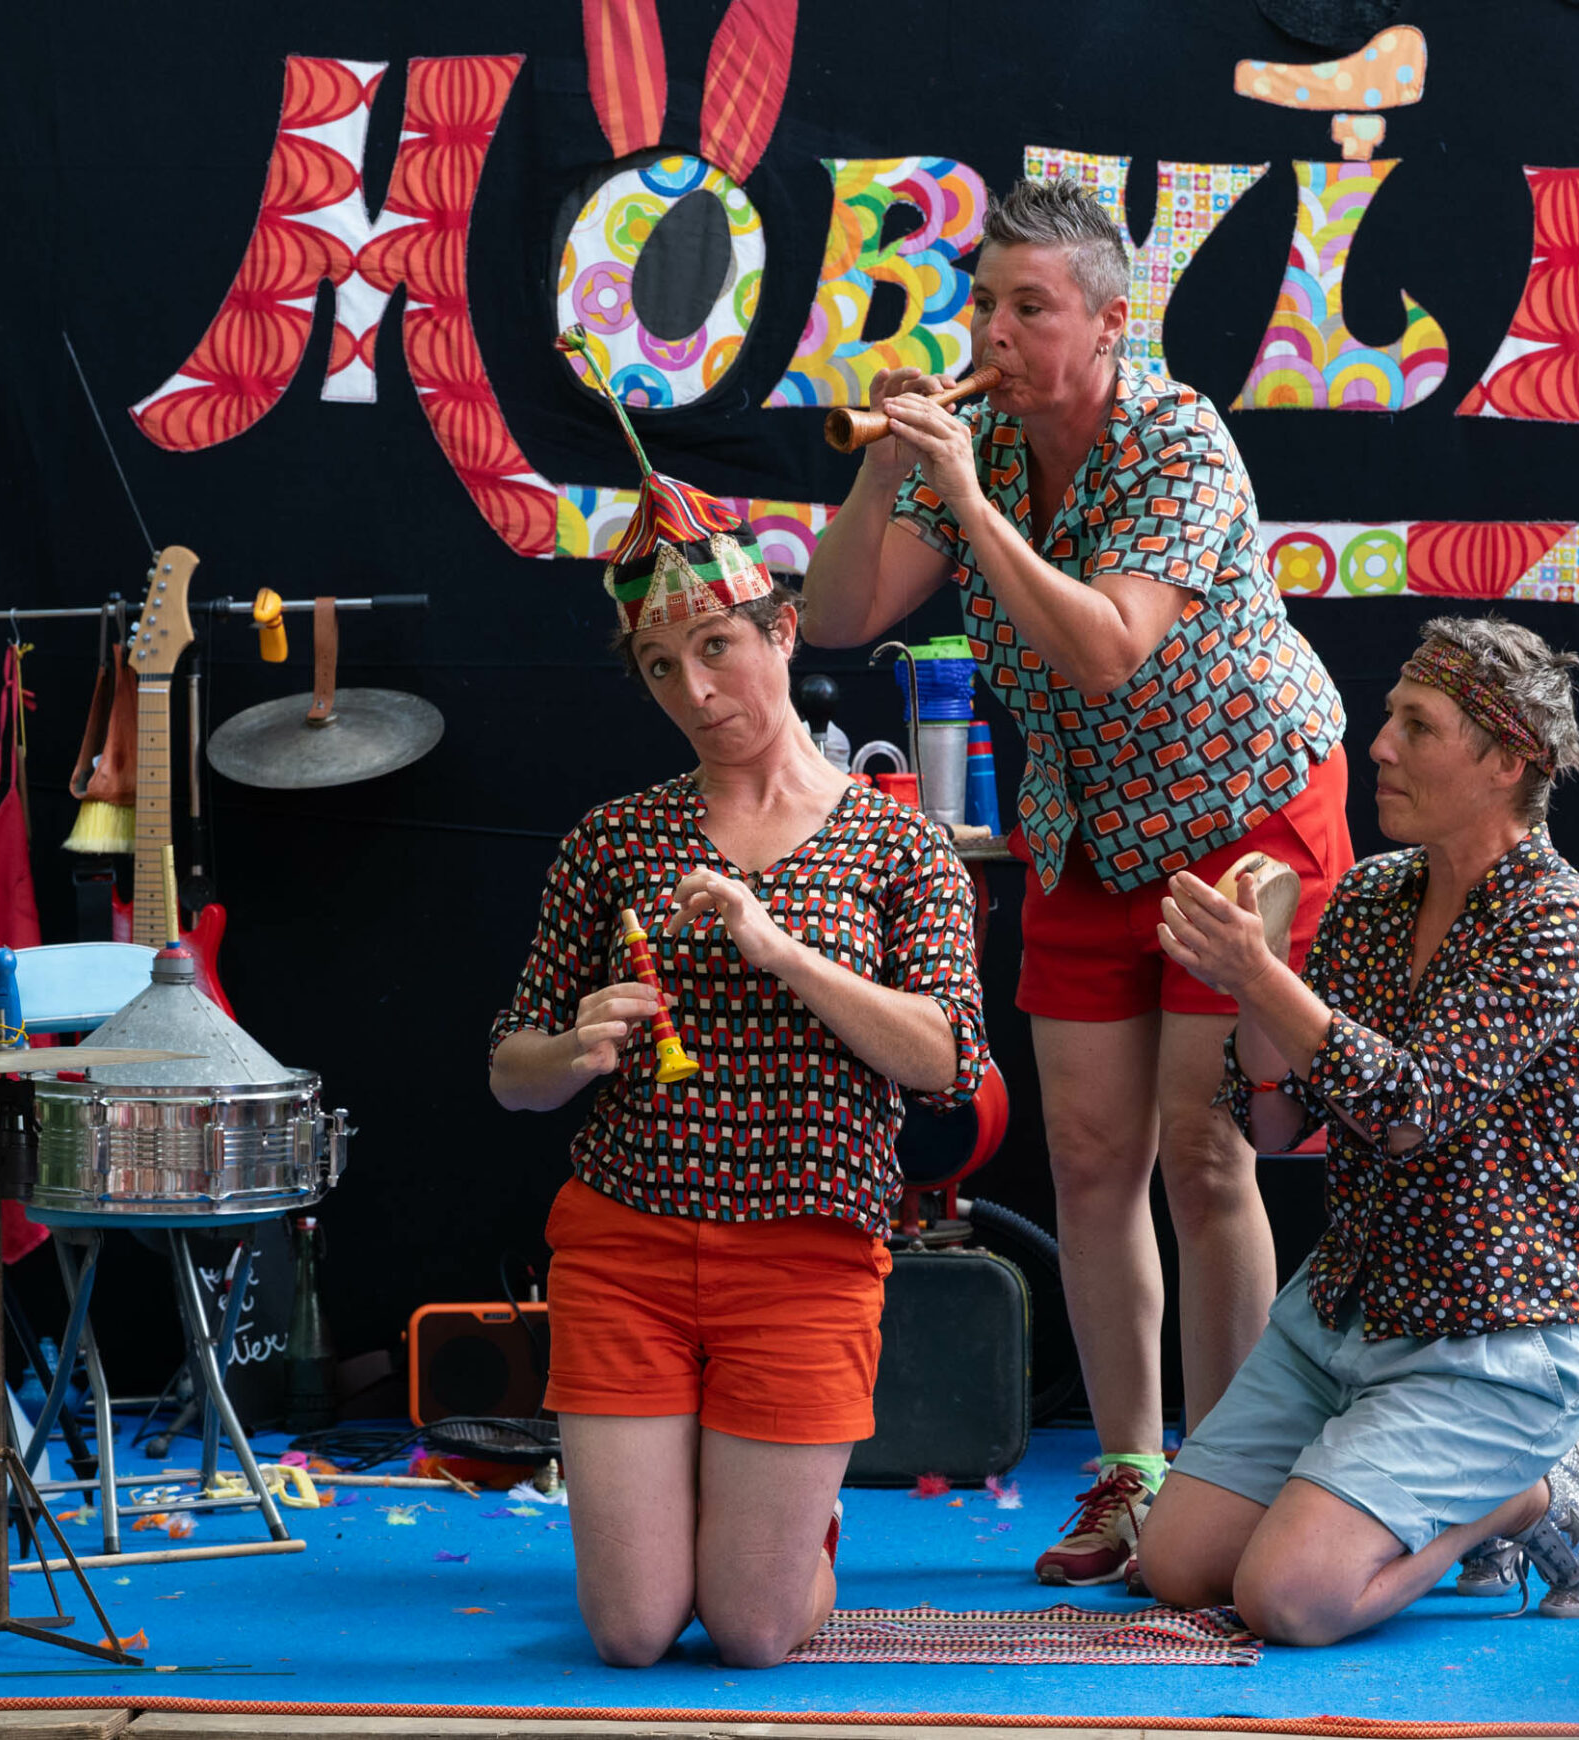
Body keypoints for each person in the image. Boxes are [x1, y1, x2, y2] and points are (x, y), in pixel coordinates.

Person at [802, 175, 1354, 1586]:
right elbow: (836, 614)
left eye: (1028, 308)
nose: (992, 332)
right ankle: (1131, 1476)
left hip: (1239, 811)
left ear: (1109, 324)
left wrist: (966, 499)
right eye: (984, 303)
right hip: (1091, 831)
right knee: (1092, 1159)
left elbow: (1107, 646)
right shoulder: (980, 439)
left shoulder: (1178, 437)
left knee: (1206, 1153)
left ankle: (1229, 1480)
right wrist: (883, 471)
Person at [488, 334, 990, 1668]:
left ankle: (781, 1522)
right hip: (627, 1249)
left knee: (758, 1633)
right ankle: (708, 1510)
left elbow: (947, 1061)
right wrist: (574, 1046)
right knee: (634, 1632)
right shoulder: (613, 837)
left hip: (807, 1257)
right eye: (664, 667)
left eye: (717, 646)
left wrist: (783, 955)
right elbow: (509, 1070)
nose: (699, 690)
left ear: (779, 630)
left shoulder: (900, 845)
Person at [1138, 615, 1579, 1644]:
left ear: (1508, 761)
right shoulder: (1369, 897)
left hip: (1497, 1340)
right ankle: (1444, 1495)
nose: (1378, 746)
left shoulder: (1559, 919)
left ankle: (1524, 1497)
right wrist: (1258, 980)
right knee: (1175, 1565)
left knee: (1287, 1599)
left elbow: (1408, 1113)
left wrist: (1259, 975)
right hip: (1346, 1313)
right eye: (1389, 718)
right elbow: (1275, 1125)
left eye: (1417, 725)